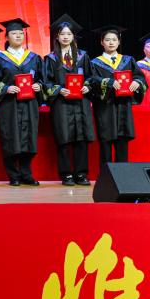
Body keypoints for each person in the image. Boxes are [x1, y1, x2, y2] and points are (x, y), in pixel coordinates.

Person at [0, 18, 44, 186]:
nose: (18, 36)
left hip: (29, 103)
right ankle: (13, 174)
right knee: (10, 137)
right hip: (8, 105)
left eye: (21, 33)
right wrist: (6, 88)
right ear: (6, 37)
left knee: (28, 137)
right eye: (14, 33)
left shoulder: (34, 58)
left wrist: (39, 86)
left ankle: (26, 173)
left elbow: (42, 80)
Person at [42, 15, 96, 186]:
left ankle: (81, 174)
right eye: (62, 34)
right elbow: (46, 82)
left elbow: (91, 77)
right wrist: (59, 89)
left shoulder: (83, 56)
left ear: (73, 36)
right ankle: (66, 174)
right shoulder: (50, 58)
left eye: (69, 34)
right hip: (61, 103)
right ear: (57, 37)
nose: (65, 37)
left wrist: (87, 86)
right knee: (63, 138)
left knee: (81, 138)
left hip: (81, 102)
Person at [88, 26, 146, 163]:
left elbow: (140, 77)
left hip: (123, 105)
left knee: (122, 140)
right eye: (107, 40)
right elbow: (91, 80)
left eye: (114, 40)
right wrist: (107, 82)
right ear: (102, 42)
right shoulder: (94, 63)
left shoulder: (128, 60)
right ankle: (105, 173)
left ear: (119, 42)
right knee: (105, 141)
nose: (111, 42)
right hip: (105, 106)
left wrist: (137, 82)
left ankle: (122, 173)